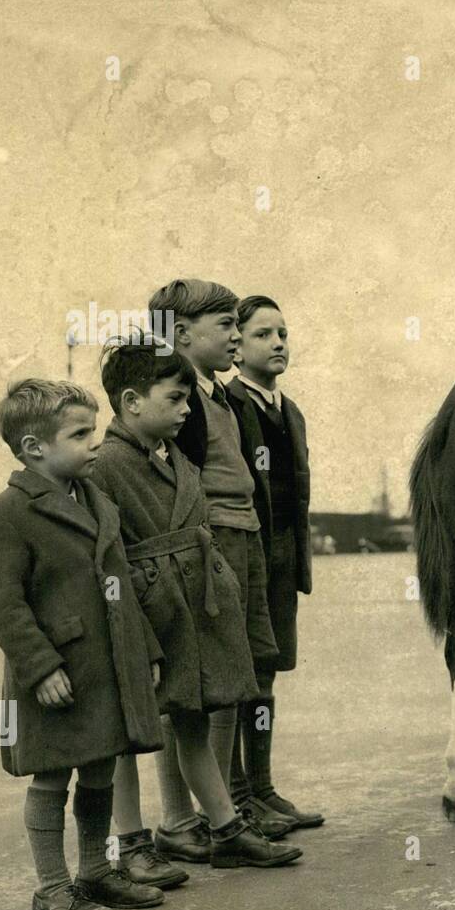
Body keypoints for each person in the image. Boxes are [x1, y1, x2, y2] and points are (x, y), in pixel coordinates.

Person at [90, 339, 301, 874]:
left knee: (192, 723)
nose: (188, 410)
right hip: (145, 613)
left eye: (189, 399)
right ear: (133, 401)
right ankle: (133, 845)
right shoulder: (107, 466)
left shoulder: (176, 455)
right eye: (177, 399)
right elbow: (106, 562)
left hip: (190, 608)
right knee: (126, 733)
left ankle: (227, 830)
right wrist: (138, 630)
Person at [0, 379, 165, 910]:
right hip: (56, 674)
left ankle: (96, 873)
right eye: (80, 435)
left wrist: (144, 648)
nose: (95, 443)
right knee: (53, 776)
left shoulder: (96, 500)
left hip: (105, 669)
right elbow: (4, 607)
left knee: (100, 768)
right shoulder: (2, 515)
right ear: (35, 448)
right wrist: (40, 668)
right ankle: (53, 890)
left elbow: (121, 583)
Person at [149, 278, 294, 847]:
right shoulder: (180, 402)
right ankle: (198, 819)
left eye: (240, 325)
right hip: (213, 544)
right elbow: (176, 489)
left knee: (238, 676)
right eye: (227, 326)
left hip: (243, 535)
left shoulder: (213, 394)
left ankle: (228, 809)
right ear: (182, 335)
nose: (237, 336)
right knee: (197, 688)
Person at [226, 295, 322, 829]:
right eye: (264, 334)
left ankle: (262, 788)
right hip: (243, 560)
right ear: (236, 348)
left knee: (266, 675)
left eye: (283, 332)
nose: (279, 342)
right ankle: (238, 796)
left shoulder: (291, 412)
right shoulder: (227, 406)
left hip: (281, 560)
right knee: (239, 676)